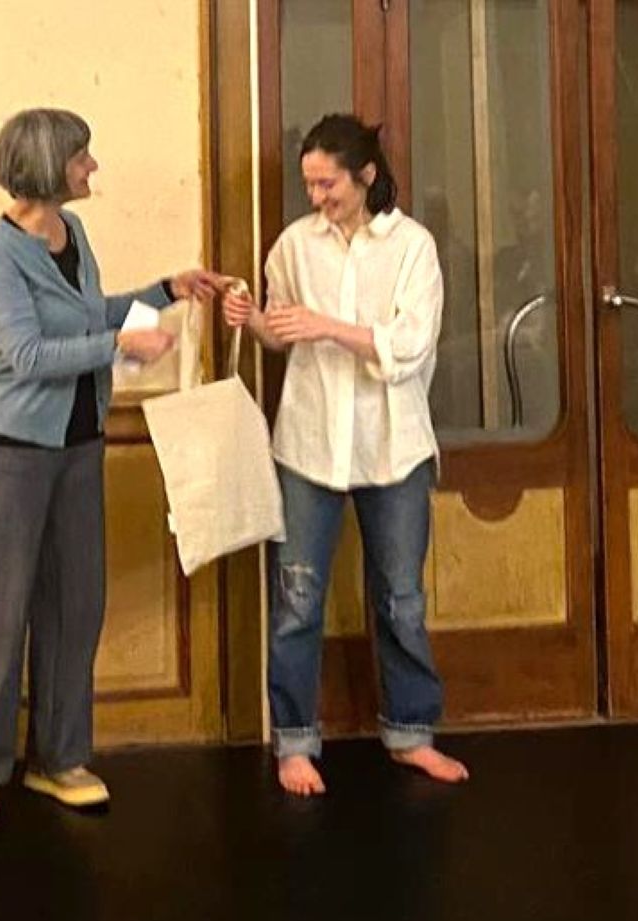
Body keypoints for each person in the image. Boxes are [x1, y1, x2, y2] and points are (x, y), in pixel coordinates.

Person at [0, 107, 225, 822]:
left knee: (75, 604)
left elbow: (91, 312)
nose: (92, 167)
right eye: (82, 157)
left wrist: (166, 290)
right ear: (47, 165)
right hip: (13, 451)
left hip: (79, 444)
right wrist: (122, 347)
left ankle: (59, 757)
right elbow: (26, 354)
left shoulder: (74, 232)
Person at [223, 114, 469, 796]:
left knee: (401, 599)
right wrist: (254, 319)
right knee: (296, 597)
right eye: (309, 184)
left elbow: (409, 346)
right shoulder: (294, 245)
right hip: (308, 442)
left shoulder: (412, 246)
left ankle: (411, 732)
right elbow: (282, 335)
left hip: (394, 446)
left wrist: (326, 326)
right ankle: (294, 741)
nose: (316, 197)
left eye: (327, 183)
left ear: (365, 175)